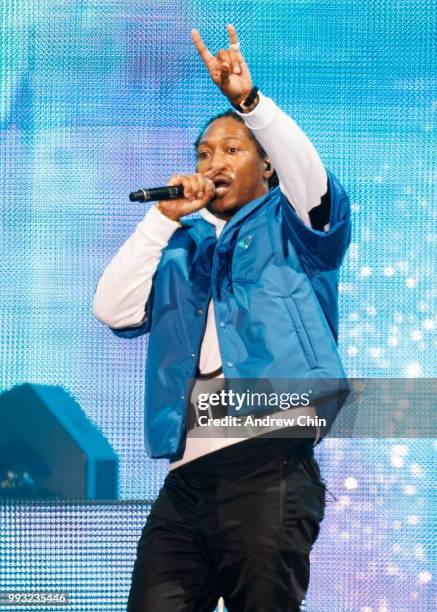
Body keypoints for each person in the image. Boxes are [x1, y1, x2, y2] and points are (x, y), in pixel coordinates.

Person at [93, 24, 351, 612]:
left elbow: (306, 171)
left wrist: (249, 104)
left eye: (233, 150)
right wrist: (161, 221)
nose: (214, 162)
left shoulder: (299, 228)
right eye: (204, 153)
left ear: (267, 168)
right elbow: (111, 309)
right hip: (185, 479)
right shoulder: (180, 246)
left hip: (269, 465)